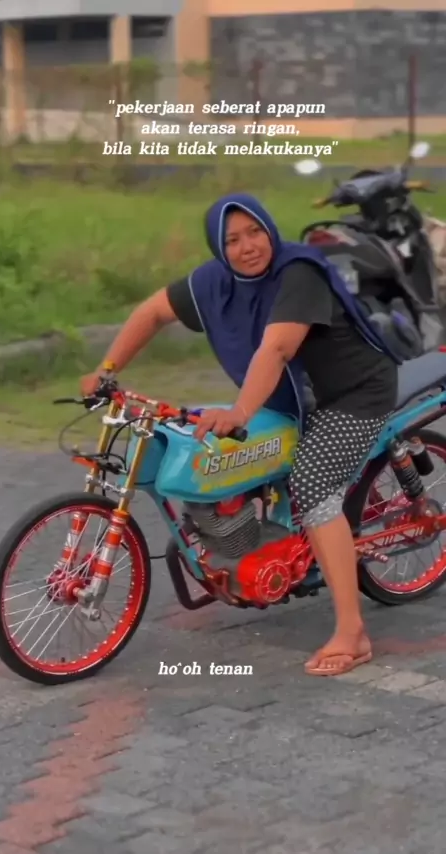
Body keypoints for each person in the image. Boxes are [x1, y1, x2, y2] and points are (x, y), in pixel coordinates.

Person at [81, 193, 399, 677]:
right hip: (293, 398)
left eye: (255, 232)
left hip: (354, 394)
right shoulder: (213, 282)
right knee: (225, 450)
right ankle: (259, 546)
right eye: (232, 239)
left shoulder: (299, 273)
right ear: (218, 246)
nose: (248, 246)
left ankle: (351, 633)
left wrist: (240, 412)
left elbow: (276, 350)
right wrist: (107, 369)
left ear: (270, 229)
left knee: (313, 487)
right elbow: (152, 312)